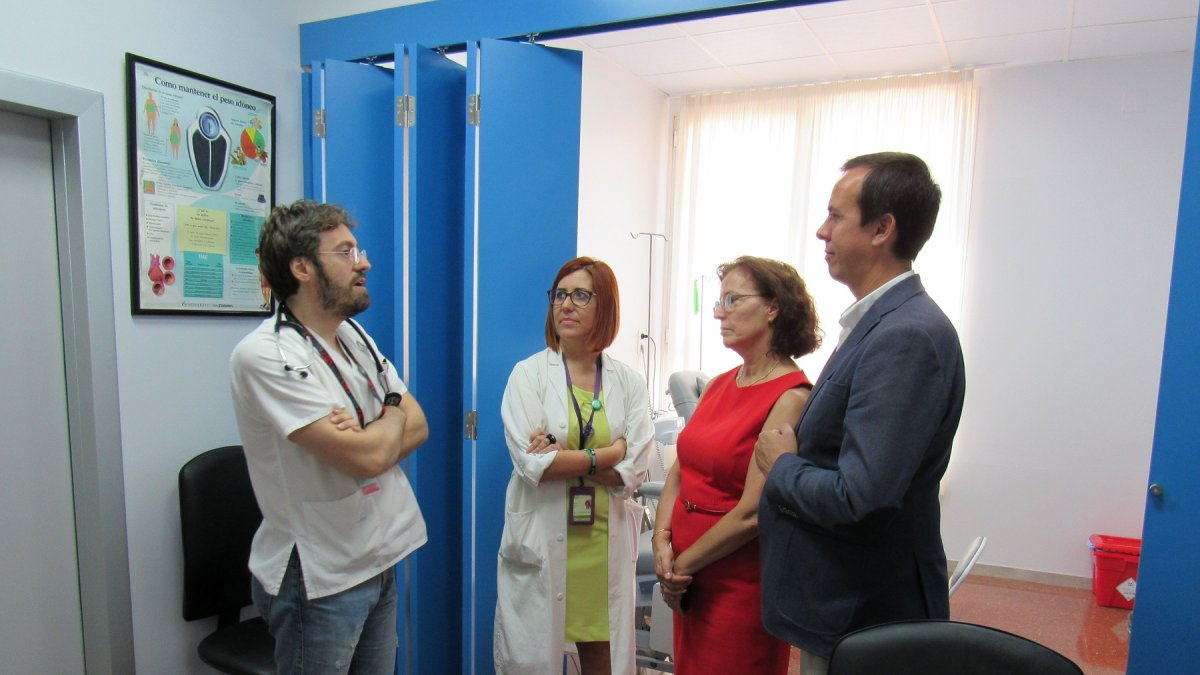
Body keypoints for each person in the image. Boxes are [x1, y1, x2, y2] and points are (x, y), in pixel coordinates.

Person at [754, 152, 967, 674]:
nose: (821, 231)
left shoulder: (906, 336)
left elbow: (861, 497)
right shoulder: (881, 323)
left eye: (835, 216)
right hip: (840, 601)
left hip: (863, 612)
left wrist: (782, 465)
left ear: (882, 229)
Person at [230, 199, 429, 673]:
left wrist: (385, 418)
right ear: (302, 267)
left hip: (378, 556)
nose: (364, 262)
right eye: (346, 252)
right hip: (320, 574)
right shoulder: (265, 354)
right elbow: (364, 457)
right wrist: (389, 412)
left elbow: (418, 424)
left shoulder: (355, 337)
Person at [652, 256, 820, 675]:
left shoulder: (790, 396)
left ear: (773, 307)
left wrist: (682, 565)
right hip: (688, 577)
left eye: (732, 299)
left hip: (735, 582)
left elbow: (752, 513)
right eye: (718, 300)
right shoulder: (720, 383)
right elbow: (682, 466)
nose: (717, 312)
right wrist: (661, 537)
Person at [495, 257, 654, 675]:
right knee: (534, 661)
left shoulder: (628, 383)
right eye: (559, 295)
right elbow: (535, 465)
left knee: (603, 659)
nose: (566, 304)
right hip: (544, 540)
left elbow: (635, 472)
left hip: (602, 545)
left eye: (581, 295)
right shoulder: (527, 376)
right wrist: (608, 453)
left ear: (606, 306)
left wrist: (565, 454)